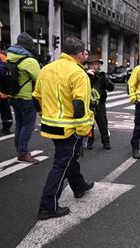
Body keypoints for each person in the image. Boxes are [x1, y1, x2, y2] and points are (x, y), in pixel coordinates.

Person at [32, 36, 95, 220]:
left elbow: (36, 97)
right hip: (70, 128)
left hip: (51, 125)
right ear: (80, 54)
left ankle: (79, 186)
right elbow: (79, 105)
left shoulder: (46, 69)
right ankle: (47, 206)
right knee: (62, 163)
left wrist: (44, 116)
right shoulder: (78, 73)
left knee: (67, 158)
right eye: (85, 53)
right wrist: (84, 130)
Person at [7, 33, 41, 163]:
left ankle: (21, 150)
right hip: (26, 98)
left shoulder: (9, 57)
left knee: (19, 125)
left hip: (13, 96)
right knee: (27, 126)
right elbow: (39, 79)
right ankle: (23, 153)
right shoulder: (29, 61)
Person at [86, 55, 114, 149]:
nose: (95, 66)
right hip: (88, 103)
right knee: (89, 124)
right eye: (92, 64)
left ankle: (106, 141)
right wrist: (88, 76)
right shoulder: (84, 75)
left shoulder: (101, 75)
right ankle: (89, 141)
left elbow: (111, 87)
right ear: (89, 65)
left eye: (96, 64)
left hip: (100, 103)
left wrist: (103, 78)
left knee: (102, 123)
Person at [0, 48, 13, 135]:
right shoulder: (3, 57)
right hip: (3, 90)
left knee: (5, 109)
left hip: (1, 90)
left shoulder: (1, 57)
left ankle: (6, 127)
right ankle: (6, 127)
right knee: (5, 110)